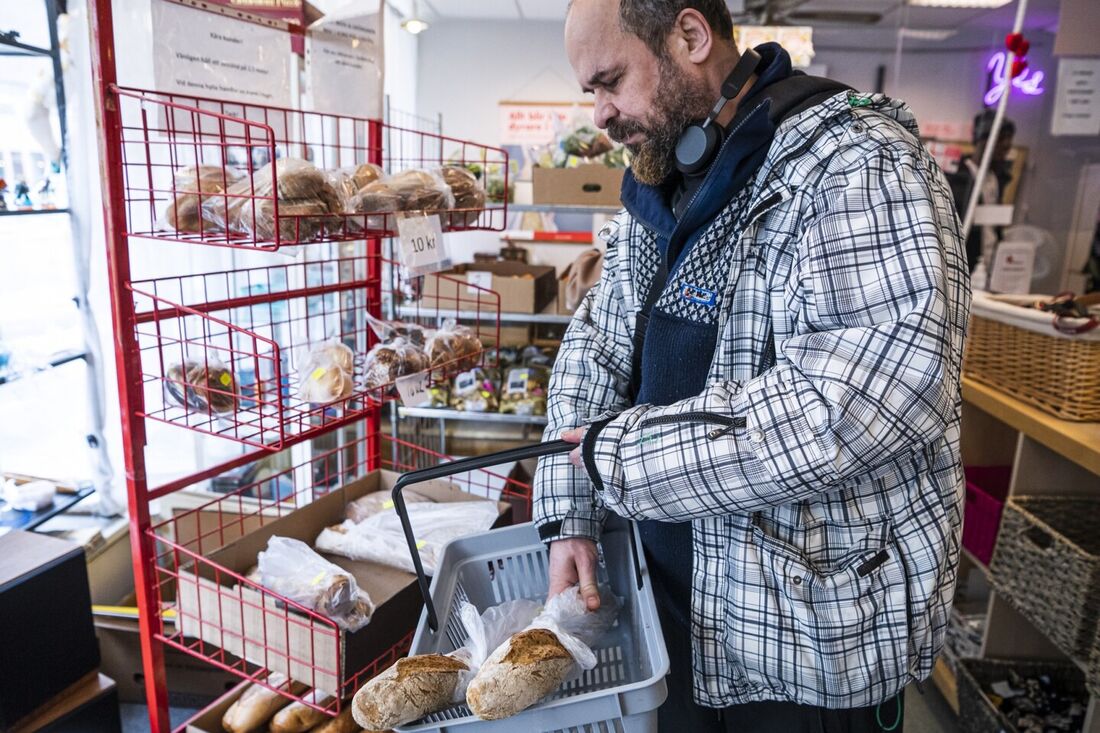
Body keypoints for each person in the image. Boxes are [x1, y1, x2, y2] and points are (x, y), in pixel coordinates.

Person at [532, 1, 971, 731]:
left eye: (611, 81)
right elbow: (596, 343)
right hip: (669, 619)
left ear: (691, 34)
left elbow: (860, 400)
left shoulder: (856, 164)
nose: (602, 114)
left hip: (804, 647)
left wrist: (621, 459)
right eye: (592, 93)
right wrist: (570, 509)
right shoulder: (664, 180)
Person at [947, 109, 1017, 273]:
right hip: (963, 266)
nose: (1004, 149)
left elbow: (993, 226)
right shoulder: (956, 180)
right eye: (999, 141)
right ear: (982, 140)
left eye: (1007, 144)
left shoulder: (996, 179)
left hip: (990, 266)